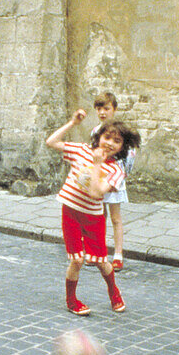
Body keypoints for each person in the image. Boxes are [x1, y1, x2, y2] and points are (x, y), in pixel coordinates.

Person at [46, 109, 140, 316]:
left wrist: (98, 164)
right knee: (77, 260)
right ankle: (71, 300)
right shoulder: (81, 150)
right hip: (70, 211)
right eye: (107, 137)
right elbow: (51, 142)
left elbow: (96, 191)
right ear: (99, 137)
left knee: (100, 261)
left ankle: (114, 292)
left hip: (92, 218)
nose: (109, 143)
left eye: (116, 141)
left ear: (122, 147)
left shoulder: (116, 170)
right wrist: (72, 123)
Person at [91, 92, 139, 271]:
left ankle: (118, 254)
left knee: (116, 218)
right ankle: (99, 251)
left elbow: (130, 154)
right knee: (98, 216)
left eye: (106, 108)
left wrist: (122, 176)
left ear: (114, 109)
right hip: (99, 177)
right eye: (99, 109)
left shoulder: (121, 131)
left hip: (114, 178)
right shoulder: (96, 131)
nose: (102, 112)